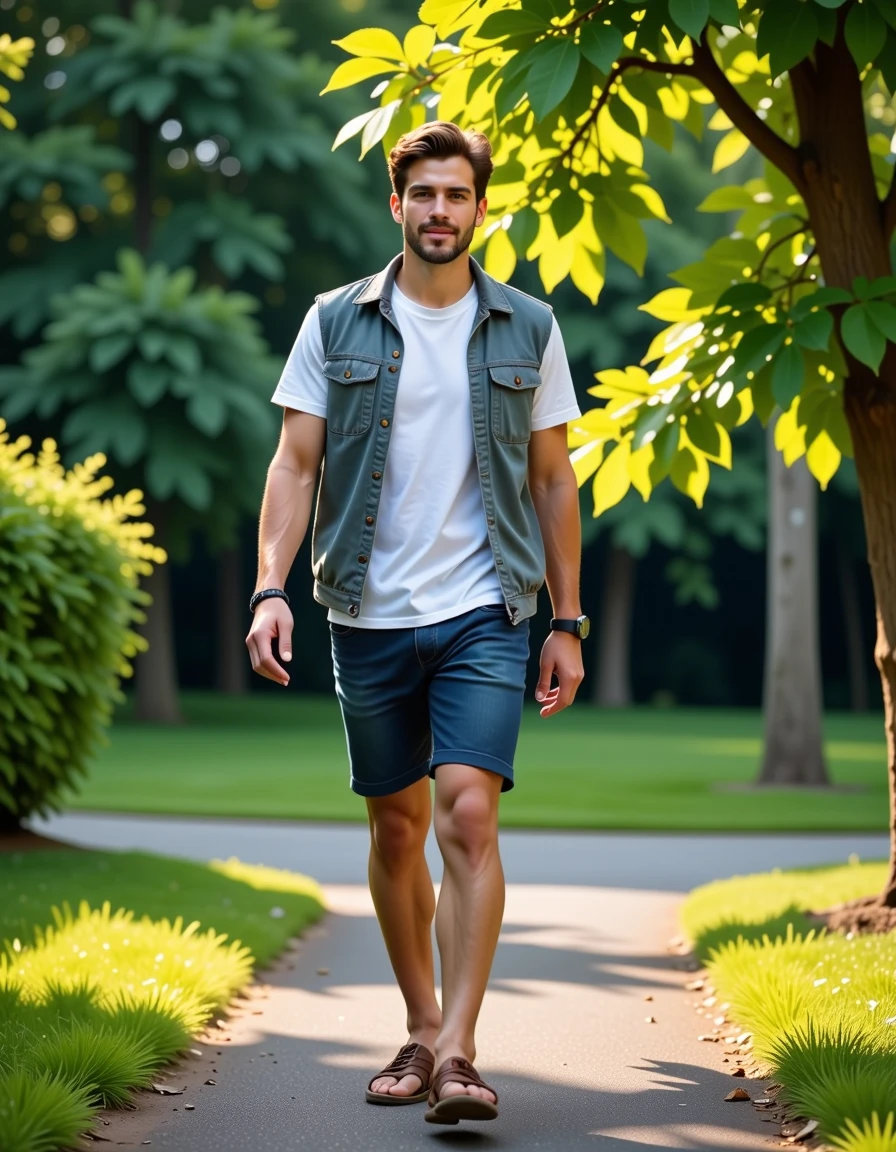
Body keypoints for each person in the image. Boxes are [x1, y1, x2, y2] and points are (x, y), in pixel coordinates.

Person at [246, 121, 588, 1126]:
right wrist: (271, 589)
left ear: (481, 208)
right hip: (365, 612)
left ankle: (460, 1054)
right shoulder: (333, 321)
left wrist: (564, 620)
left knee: (468, 814)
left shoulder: (527, 326)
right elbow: (293, 465)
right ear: (394, 204)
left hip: (486, 610)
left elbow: (552, 477)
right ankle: (418, 1024)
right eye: (422, 194)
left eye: (456, 194)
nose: (439, 210)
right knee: (396, 830)